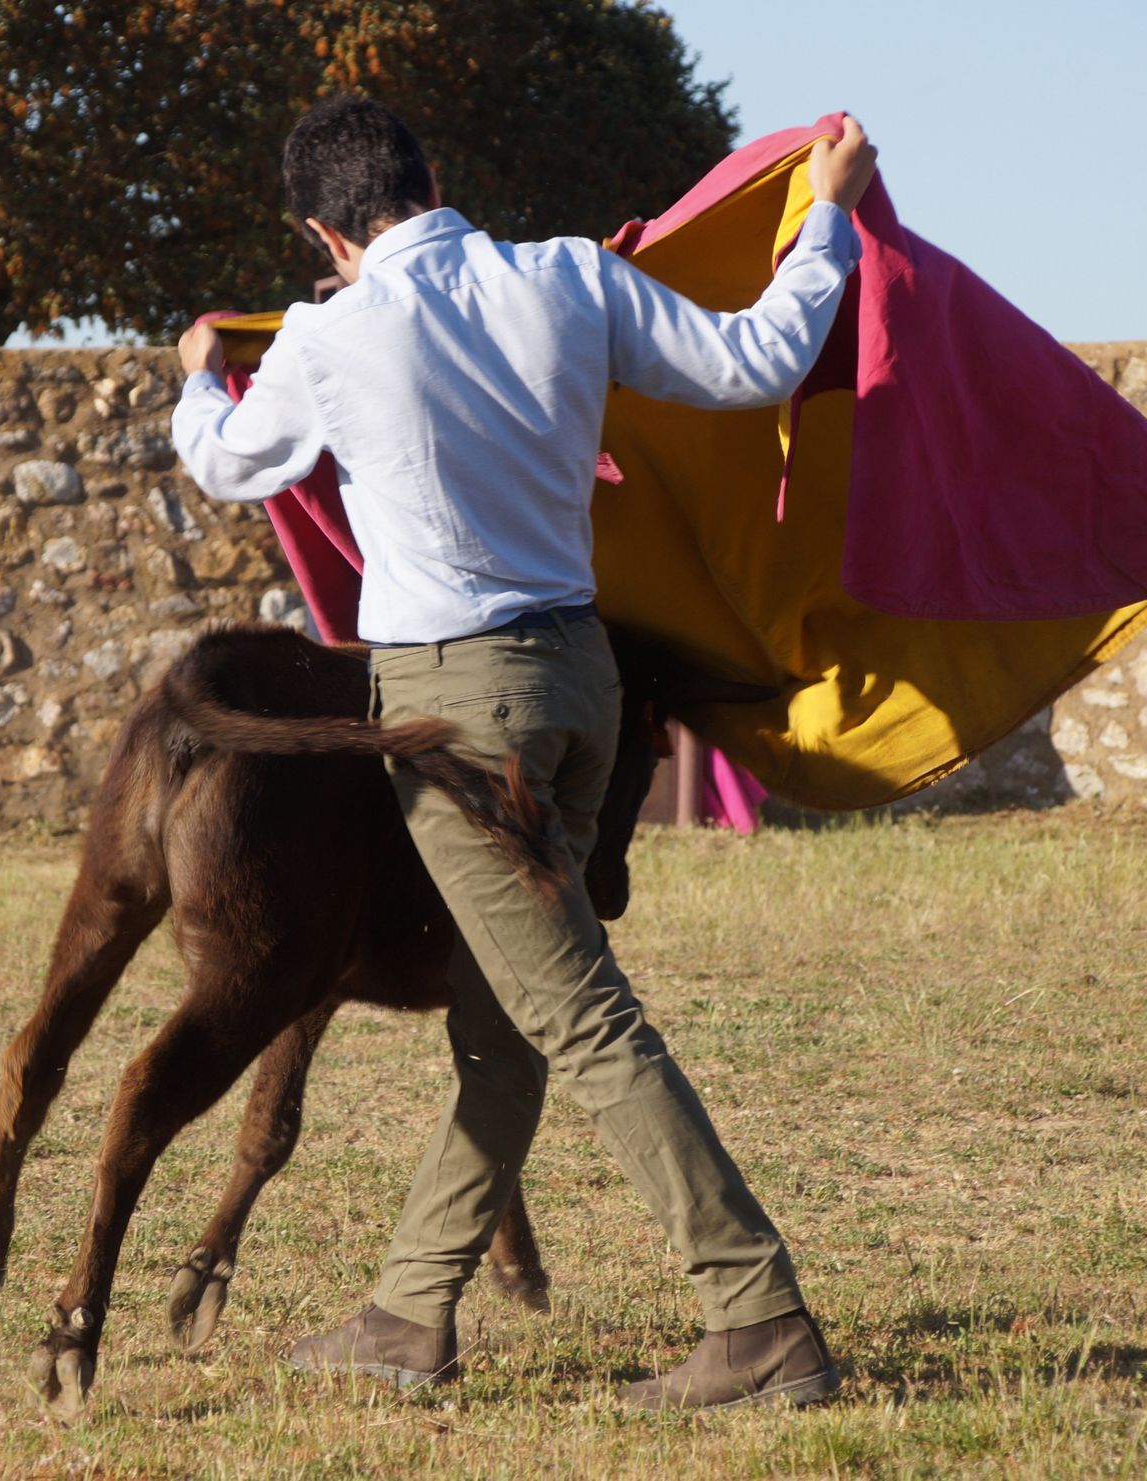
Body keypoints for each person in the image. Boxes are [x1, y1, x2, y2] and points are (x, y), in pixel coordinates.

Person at [171, 95, 877, 1410]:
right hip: (582, 686)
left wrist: (197, 374)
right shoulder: (567, 276)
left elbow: (227, 462)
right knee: (510, 1025)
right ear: (434, 177)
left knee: (580, 1016)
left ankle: (760, 1315)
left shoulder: (331, 334)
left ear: (329, 232)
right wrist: (826, 213)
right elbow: (756, 362)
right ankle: (406, 1311)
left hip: (457, 720)